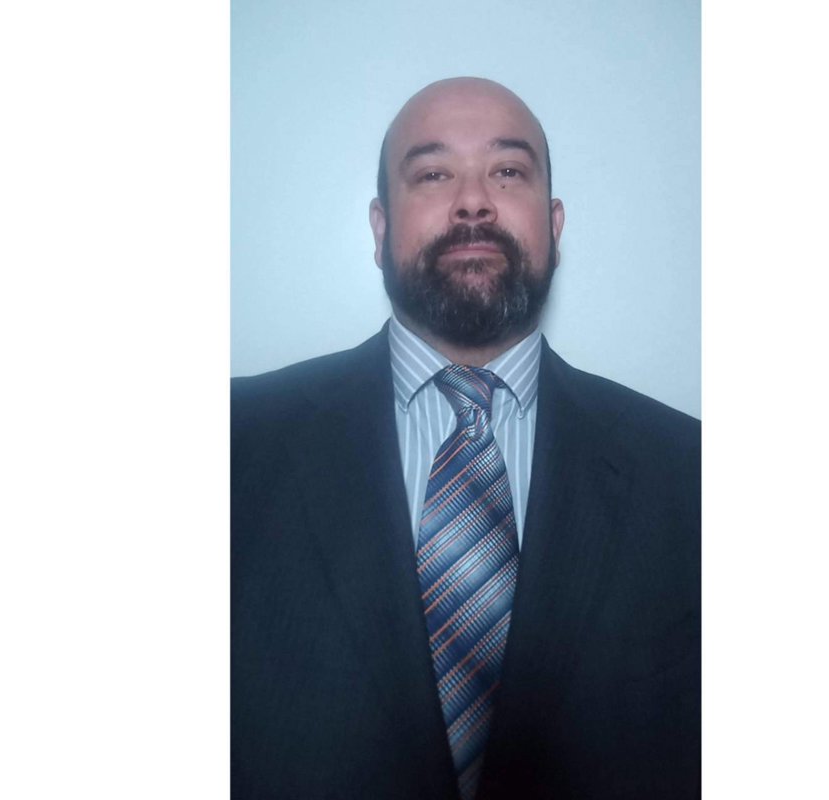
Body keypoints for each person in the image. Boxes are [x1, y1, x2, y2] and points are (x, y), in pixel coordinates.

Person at [231, 77, 700, 799]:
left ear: (555, 225)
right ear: (380, 229)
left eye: (507, 171)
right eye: (433, 174)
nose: (473, 201)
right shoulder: (233, 447)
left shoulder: (690, 475)